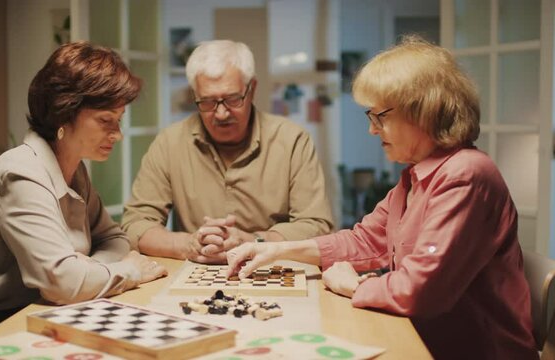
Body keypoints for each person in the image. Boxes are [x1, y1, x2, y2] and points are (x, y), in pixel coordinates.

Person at [225, 36, 538, 360]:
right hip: (428, 340)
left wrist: (355, 286)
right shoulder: (415, 176)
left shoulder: (466, 175)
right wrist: (273, 249)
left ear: (422, 111)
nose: (373, 130)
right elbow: (364, 241)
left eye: (381, 116)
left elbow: (421, 291)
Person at [0, 42, 167, 359]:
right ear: (65, 113)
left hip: (32, 314)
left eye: (119, 119)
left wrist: (89, 270)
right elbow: (63, 284)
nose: (117, 133)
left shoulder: (74, 170)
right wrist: (127, 271)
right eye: (106, 120)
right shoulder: (21, 173)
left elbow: (113, 238)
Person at [121, 40, 333, 264]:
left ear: (252, 90)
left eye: (233, 99)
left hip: (272, 270)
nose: (221, 113)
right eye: (208, 102)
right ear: (195, 95)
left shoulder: (292, 141)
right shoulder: (169, 143)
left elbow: (316, 226)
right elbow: (136, 224)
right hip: (195, 274)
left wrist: (255, 242)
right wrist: (188, 245)